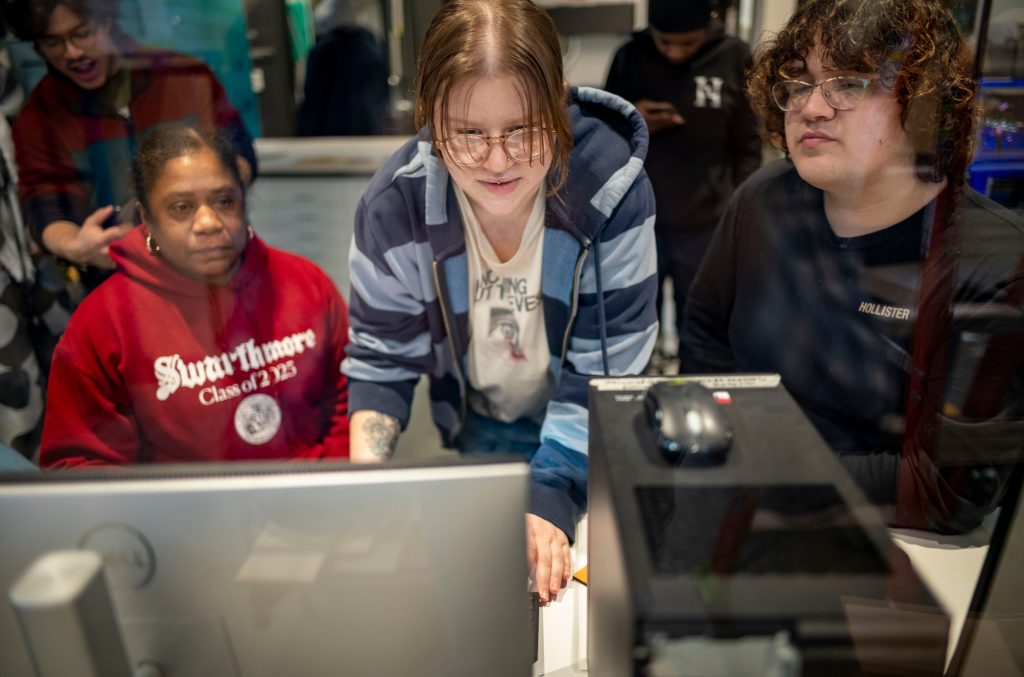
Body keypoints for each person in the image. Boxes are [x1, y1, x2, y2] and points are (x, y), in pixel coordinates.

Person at [342, 0, 658, 602]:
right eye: (467, 134)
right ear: (431, 119)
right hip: (484, 423)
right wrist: (369, 488)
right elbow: (382, 360)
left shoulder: (613, 187)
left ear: (558, 101)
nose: (497, 161)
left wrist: (550, 492)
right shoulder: (394, 206)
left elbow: (607, 370)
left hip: (594, 431)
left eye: (522, 128)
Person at [681, 0, 1024, 533]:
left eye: (848, 83)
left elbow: (945, 489)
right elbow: (705, 333)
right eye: (798, 83)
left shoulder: (993, 261)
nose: (811, 108)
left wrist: (764, 473)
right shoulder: (763, 199)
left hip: (896, 550)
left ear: (923, 102)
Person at [40, 123, 349, 467]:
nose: (208, 222)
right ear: (147, 218)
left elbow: (349, 400)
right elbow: (80, 463)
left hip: (313, 502)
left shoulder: (305, 284)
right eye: (181, 207)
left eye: (223, 200)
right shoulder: (102, 324)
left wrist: (327, 487)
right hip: (179, 516)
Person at [7, 0, 257, 293]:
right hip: (120, 286)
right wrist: (78, 246)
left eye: (82, 33)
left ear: (108, 19)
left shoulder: (184, 77)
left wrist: (208, 201)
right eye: (52, 42)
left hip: (221, 273)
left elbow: (241, 156)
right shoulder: (39, 118)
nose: (72, 52)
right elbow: (46, 203)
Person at [605, 0, 760, 364]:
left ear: (709, 26)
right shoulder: (629, 56)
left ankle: (694, 394)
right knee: (632, 323)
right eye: (665, 43)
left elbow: (749, 145)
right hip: (639, 221)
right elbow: (603, 137)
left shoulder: (734, 57)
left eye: (686, 45)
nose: (674, 52)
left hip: (708, 222)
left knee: (702, 326)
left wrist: (741, 212)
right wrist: (633, 119)